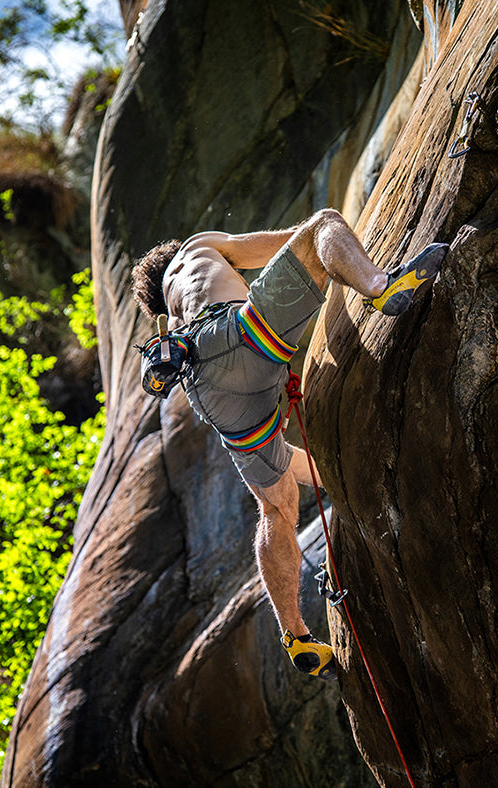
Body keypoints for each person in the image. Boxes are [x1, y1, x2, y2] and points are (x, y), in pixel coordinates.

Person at [131, 208, 446, 680]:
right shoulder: (199, 248)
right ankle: (383, 288)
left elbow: (290, 464)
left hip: (205, 389)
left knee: (276, 508)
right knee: (323, 222)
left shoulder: (170, 315)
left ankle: (296, 635)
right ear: (173, 258)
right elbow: (288, 241)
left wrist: (330, 474)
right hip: (238, 335)